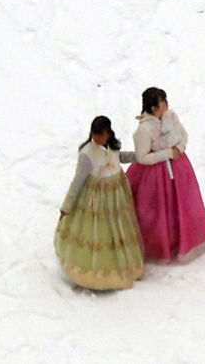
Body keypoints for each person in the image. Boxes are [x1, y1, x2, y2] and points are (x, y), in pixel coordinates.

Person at [54, 115, 144, 290]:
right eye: (95, 135)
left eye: (101, 135)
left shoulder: (112, 146)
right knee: (100, 229)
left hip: (116, 193)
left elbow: (119, 158)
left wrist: (139, 156)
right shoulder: (87, 154)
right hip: (98, 198)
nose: (98, 139)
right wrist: (67, 206)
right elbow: (78, 180)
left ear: (108, 134)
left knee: (118, 226)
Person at [126, 87, 205, 264]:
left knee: (182, 204)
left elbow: (183, 134)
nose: (166, 105)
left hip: (179, 169)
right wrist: (166, 154)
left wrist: (179, 148)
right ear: (152, 108)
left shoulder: (171, 117)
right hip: (154, 176)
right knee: (157, 211)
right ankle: (159, 246)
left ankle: (183, 239)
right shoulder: (143, 131)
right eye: (162, 103)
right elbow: (142, 157)